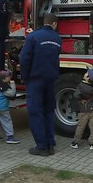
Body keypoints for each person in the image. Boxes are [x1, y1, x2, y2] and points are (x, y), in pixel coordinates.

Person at [19, 13, 62, 156]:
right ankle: (50, 144)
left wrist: (26, 79)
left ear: (44, 22)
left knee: (35, 112)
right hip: (51, 81)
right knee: (49, 111)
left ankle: (41, 147)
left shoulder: (33, 37)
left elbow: (24, 59)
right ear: (54, 24)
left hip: (35, 81)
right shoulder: (57, 38)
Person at [70, 60, 93, 150]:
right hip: (92, 109)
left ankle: (75, 142)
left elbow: (76, 95)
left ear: (88, 78)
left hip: (84, 110)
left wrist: (80, 99)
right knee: (92, 126)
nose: (85, 73)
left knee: (80, 126)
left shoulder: (81, 86)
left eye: (87, 74)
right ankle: (91, 143)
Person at [0, 70, 21, 144]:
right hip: (3, 108)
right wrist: (13, 84)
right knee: (7, 121)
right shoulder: (4, 87)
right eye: (8, 77)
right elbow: (12, 94)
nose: (10, 78)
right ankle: (10, 137)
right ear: (3, 79)